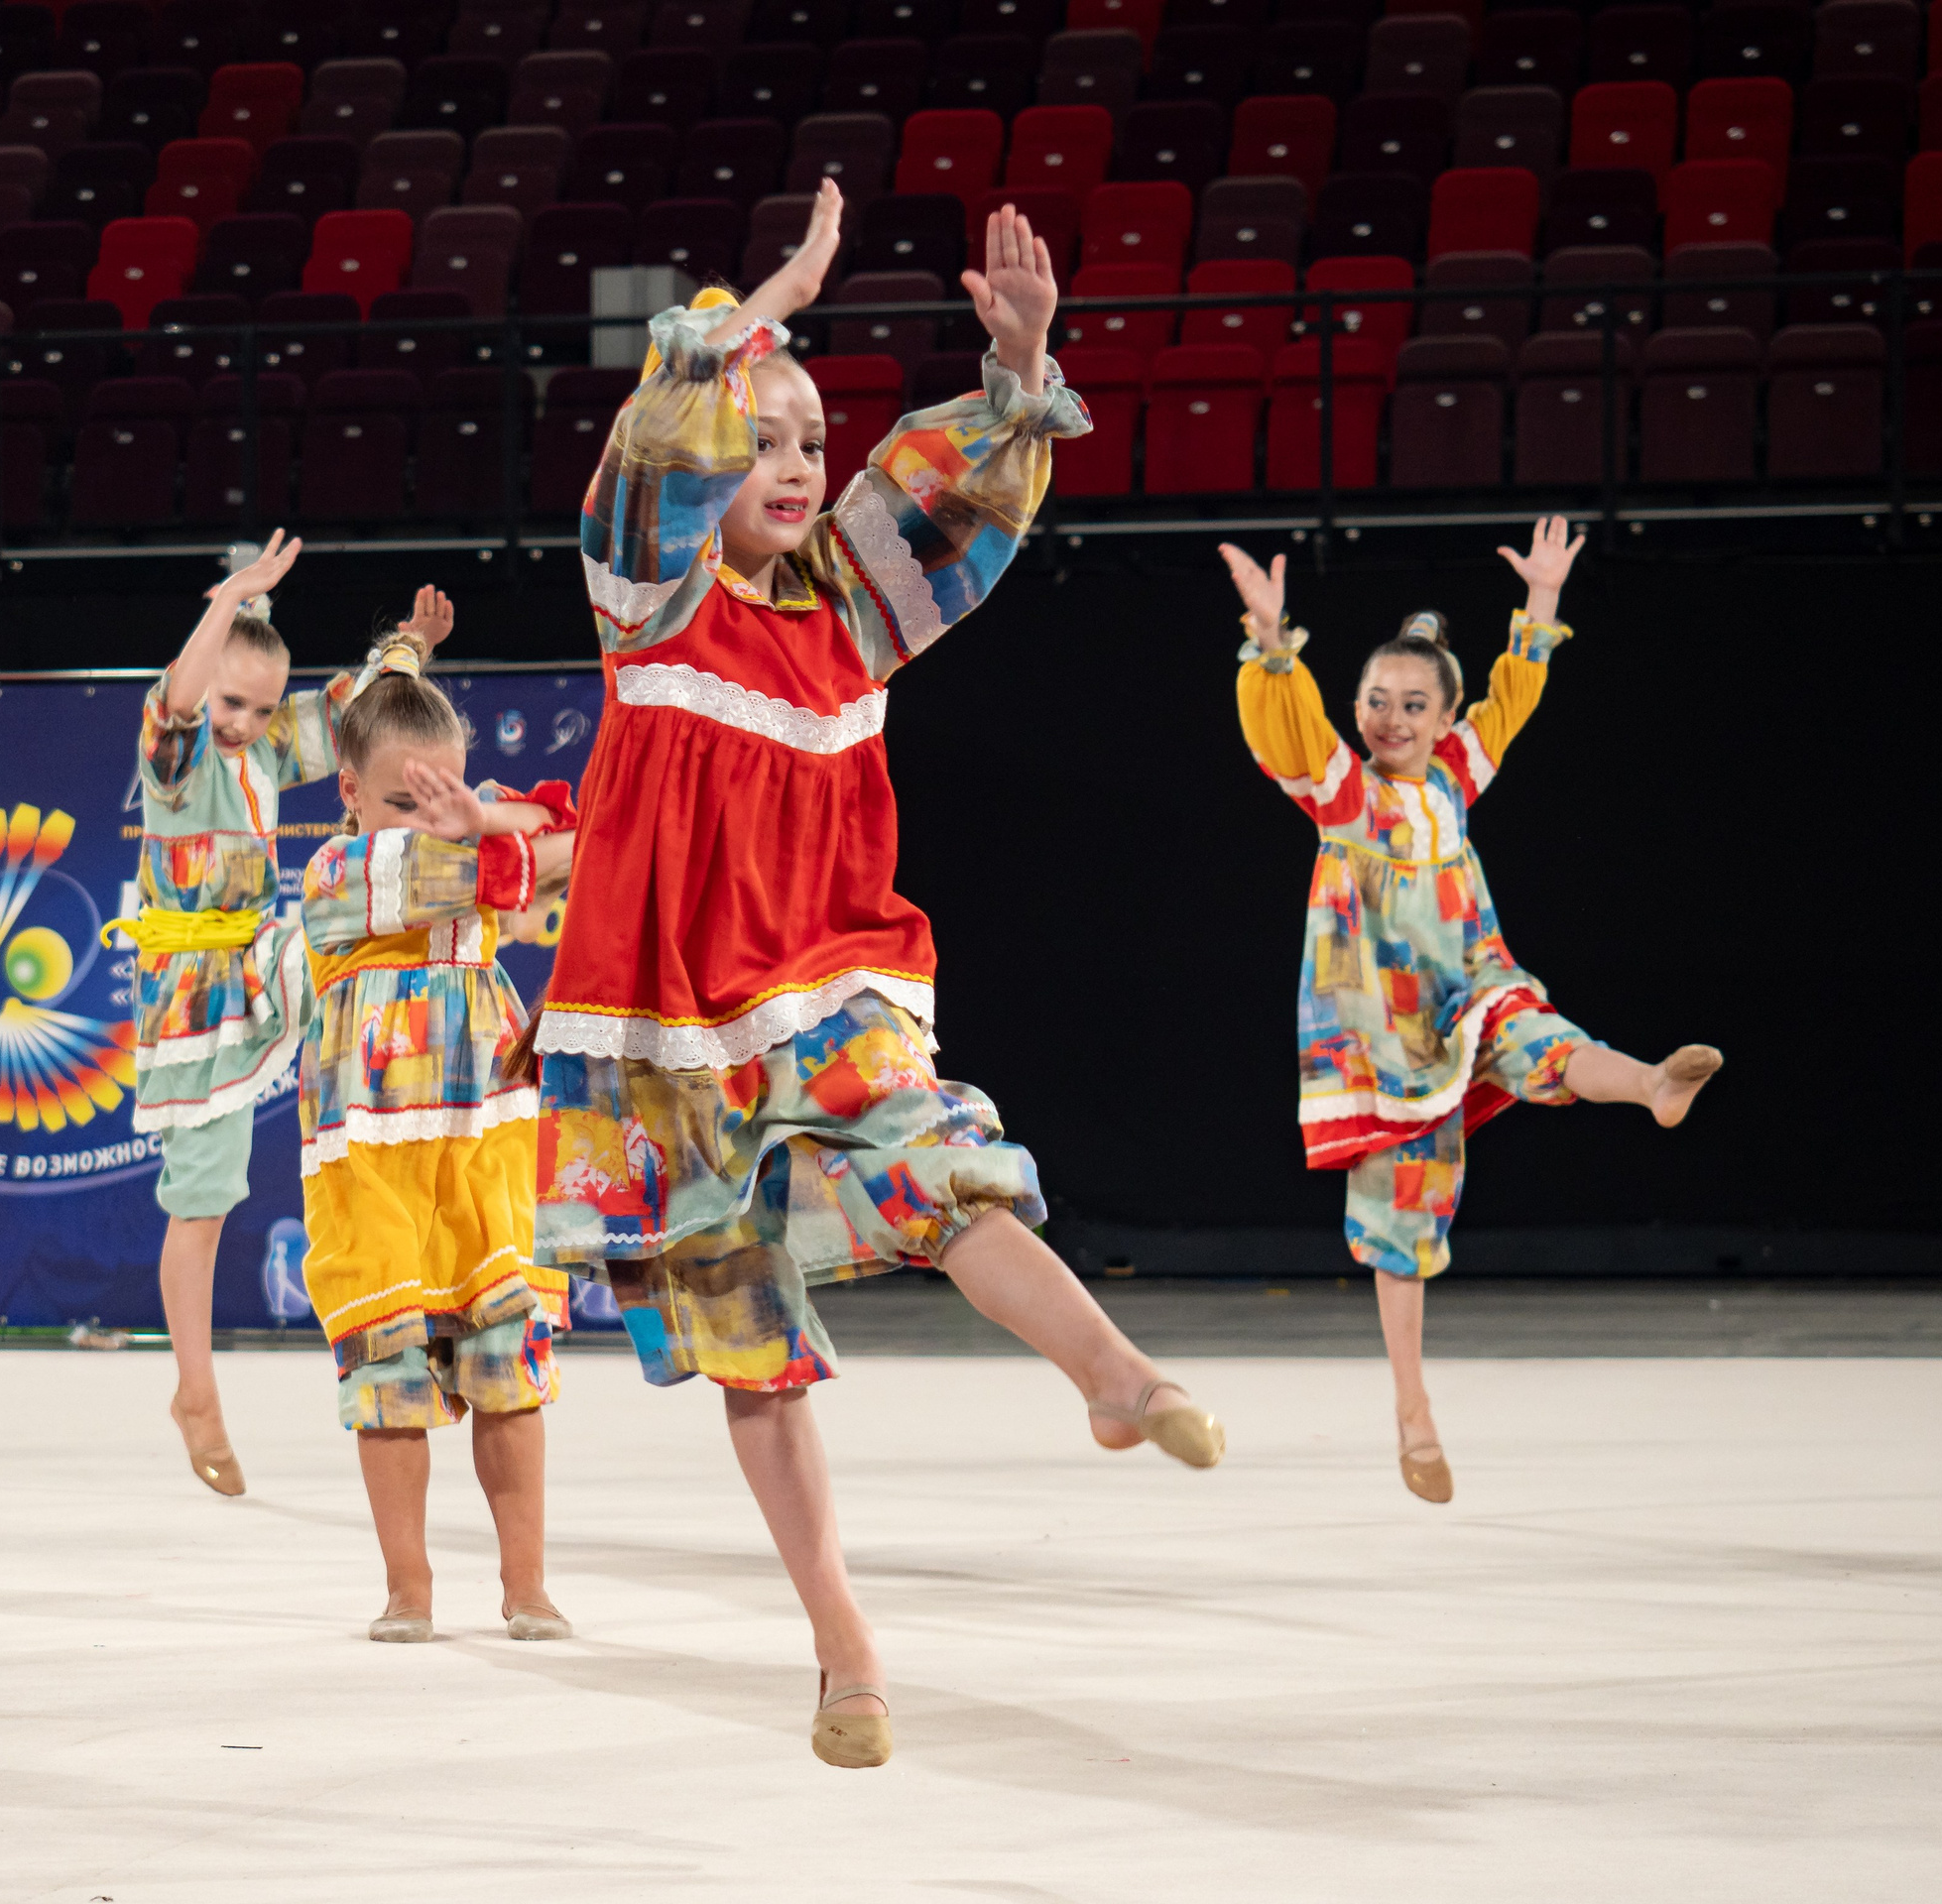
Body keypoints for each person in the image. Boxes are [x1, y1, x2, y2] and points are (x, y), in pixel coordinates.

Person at [531, 183, 1225, 1771]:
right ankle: (844, 1646)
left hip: (829, 981)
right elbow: (646, 464)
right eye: (760, 436)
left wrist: (1021, 365)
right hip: (662, 1026)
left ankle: (1112, 1377)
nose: (790, 462)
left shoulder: (851, 612)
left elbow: (954, 496)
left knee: (939, 1167)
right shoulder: (655, 601)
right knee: (746, 1343)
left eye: (805, 441)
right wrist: (755, 307)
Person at [1219, 520, 1723, 1505]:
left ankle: (1655, 1084)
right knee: (1400, 1221)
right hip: (1379, 1034)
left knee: (1539, 1034)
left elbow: (1513, 699)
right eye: (1375, 700)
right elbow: (1285, 726)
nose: (1389, 717)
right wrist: (1273, 647)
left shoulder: (1454, 778)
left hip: (1467, 984)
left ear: (1444, 717)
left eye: (1413, 704)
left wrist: (1539, 608)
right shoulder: (1343, 794)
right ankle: (1412, 1413)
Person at [107, 534, 449, 1495]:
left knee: (365, 942)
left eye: (260, 708)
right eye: (230, 703)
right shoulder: (181, 764)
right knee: (204, 1199)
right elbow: (177, 700)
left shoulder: (260, 747)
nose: (243, 723)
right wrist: (230, 599)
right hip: (196, 992)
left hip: (261, 957)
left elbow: (350, 708)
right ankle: (195, 1391)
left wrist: (409, 648)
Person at [294, 662, 578, 1644]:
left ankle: (527, 1585)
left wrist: (504, 821)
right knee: (388, 1366)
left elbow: (579, 838)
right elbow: (501, 867)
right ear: (348, 793)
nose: (425, 817)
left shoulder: (467, 829)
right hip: (368, 1148)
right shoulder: (338, 873)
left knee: (507, 1357)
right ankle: (408, 1587)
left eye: (443, 795)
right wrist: (496, 830)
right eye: (398, 801)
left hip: (483, 1128)